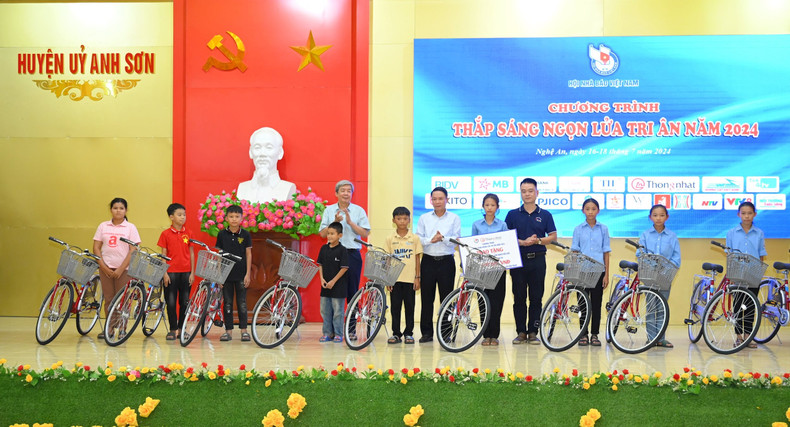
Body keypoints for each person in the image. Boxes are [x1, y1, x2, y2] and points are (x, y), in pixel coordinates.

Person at [505, 178, 557, 345]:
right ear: (520, 193)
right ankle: (521, 332)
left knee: (536, 298)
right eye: (523, 191)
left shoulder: (545, 214)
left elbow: (553, 236)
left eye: (530, 190)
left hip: (538, 261)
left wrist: (538, 241)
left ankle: (533, 332)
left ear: (537, 193)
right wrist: (522, 242)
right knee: (519, 298)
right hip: (518, 261)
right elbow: (506, 237)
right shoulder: (512, 214)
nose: (527, 194)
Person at [416, 186, 461, 343]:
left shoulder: (454, 218)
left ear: (447, 200)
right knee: (427, 299)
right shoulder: (424, 218)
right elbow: (418, 239)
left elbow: (456, 239)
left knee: (446, 299)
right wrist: (431, 240)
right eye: (434, 199)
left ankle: (446, 332)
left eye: (440, 198)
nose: (437, 201)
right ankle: (427, 333)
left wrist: (443, 238)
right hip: (428, 261)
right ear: (431, 200)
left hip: (446, 262)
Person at [93, 197, 141, 340]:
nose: (118, 211)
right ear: (110, 210)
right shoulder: (103, 226)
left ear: (126, 210)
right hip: (105, 268)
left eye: (121, 208)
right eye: (115, 208)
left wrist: (121, 268)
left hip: (124, 270)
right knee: (108, 299)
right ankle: (109, 328)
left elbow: (133, 250)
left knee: (123, 300)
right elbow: (96, 247)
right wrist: (104, 266)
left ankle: (122, 329)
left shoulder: (130, 227)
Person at [319, 180, 370, 309]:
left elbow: (365, 233)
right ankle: (333, 326)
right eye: (343, 190)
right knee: (332, 288)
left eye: (349, 191)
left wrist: (351, 223)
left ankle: (351, 326)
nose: (346, 193)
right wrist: (334, 222)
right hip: (332, 254)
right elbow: (322, 234)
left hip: (352, 254)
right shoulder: (329, 210)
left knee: (352, 290)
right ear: (336, 193)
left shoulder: (358, 210)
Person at [639, 204, 681, 349]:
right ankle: (651, 338)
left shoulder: (672, 236)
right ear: (650, 217)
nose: (658, 218)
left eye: (662, 215)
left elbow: (676, 258)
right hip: (649, 275)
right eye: (655, 215)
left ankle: (661, 338)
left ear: (667, 217)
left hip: (665, 276)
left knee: (662, 308)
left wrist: (666, 267)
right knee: (651, 307)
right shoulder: (645, 235)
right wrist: (652, 263)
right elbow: (640, 253)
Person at [725, 201, 766, 349]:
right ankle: (739, 336)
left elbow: (761, 254)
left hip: (753, 274)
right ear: (738, 214)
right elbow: (729, 254)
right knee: (738, 306)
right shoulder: (731, 233)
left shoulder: (759, 233)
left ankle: (748, 336)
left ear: (754, 214)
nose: (746, 216)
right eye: (743, 213)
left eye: (749, 213)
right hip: (737, 274)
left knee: (750, 306)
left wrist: (759, 272)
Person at [571, 198, 610, 347]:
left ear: (598, 211)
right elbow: (575, 251)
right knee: (583, 304)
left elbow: (606, 252)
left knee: (596, 304)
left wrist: (606, 274)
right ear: (583, 211)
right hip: (582, 271)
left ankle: (594, 334)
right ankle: (583, 334)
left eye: (593, 209)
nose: (590, 212)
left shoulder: (603, 229)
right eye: (587, 209)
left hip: (598, 271)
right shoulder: (578, 229)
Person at [471, 193, 509, 347]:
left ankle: (495, 335)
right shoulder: (476, 225)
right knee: (483, 301)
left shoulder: (502, 225)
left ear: (497, 207)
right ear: (483, 207)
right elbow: (473, 246)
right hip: (481, 269)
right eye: (487, 205)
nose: (489, 208)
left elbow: (506, 245)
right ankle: (486, 335)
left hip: (498, 269)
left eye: (493, 205)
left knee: (497, 302)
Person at [157, 203, 195, 341]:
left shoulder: (188, 233)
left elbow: (191, 253)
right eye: (179, 215)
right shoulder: (165, 234)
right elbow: (163, 254)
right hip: (171, 273)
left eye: (184, 215)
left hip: (186, 273)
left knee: (184, 302)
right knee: (171, 302)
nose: (182, 217)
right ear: (171, 217)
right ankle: (173, 330)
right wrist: (164, 273)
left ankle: (182, 329)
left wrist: (192, 272)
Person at [385, 207, 423, 345]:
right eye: (399, 218)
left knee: (409, 307)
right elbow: (388, 259)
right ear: (393, 220)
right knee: (395, 308)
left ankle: (409, 333)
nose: (402, 221)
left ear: (409, 220)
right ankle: (396, 334)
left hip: (410, 280)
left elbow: (417, 259)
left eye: (405, 218)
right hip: (395, 280)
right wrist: (388, 278)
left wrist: (417, 277)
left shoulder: (414, 238)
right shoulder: (390, 239)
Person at [215, 205, 252, 342]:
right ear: (226, 218)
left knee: (242, 303)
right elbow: (219, 255)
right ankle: (228, 331)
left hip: (241, 274)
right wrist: (219, 275)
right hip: (226, 275)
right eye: (231, 216)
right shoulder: (222, 234)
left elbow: (248, 254)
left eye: (237, 217)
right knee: (228, 303)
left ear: (242, 218)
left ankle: (244, 331)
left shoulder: (245, 234)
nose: (234, 219)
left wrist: (248, 274)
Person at [236, 127, 297, 203]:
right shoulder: (243, 188)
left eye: (269, 148)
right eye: (257, 147)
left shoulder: (287, 188)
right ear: (250, 152)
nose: (262, 154)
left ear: (280, 152)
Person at [316, 222, 349, 342]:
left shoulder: (343, 250)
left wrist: (333, 281)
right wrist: (322, 279)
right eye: (328, 234)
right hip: (325, 286)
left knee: (338, 312)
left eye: (332, 234)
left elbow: (344, 268)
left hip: (338, 287)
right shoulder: (324, 248)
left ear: (340, 235)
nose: (329, 236)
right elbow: (320, 265)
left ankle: (339, 334)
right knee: (325, 311)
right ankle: (327, 333)